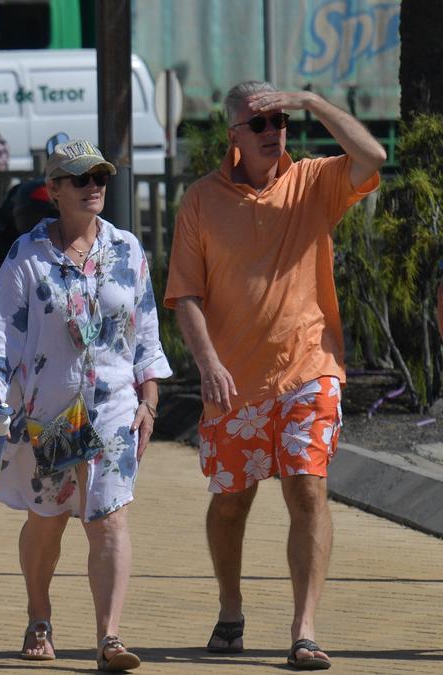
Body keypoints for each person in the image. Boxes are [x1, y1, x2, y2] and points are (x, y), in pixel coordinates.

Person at [164, 80, 385, 671]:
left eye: (281, 122)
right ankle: (231, 608)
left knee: (307, 486)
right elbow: (185, 295)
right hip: (233, 379)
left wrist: (313, 102)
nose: (272, 132)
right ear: (234, 134)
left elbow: (373, 158)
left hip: (310, 367)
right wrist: (208, 364)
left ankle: (304, 630)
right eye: (259, 124)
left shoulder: (312, 180)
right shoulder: (202, 201)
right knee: (232, 501)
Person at [0, 139, 171, 672]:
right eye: (80, 179)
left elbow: (146, 332)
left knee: (108, 521)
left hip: (112, 412)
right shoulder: (27, 255)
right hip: (51, 412)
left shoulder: (127, 249)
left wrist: (149, 399)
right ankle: (39, 614)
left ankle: (109, 637)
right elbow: (0, 333)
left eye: (100, 176)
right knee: (48, 520)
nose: (94, 186)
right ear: (54, 189)